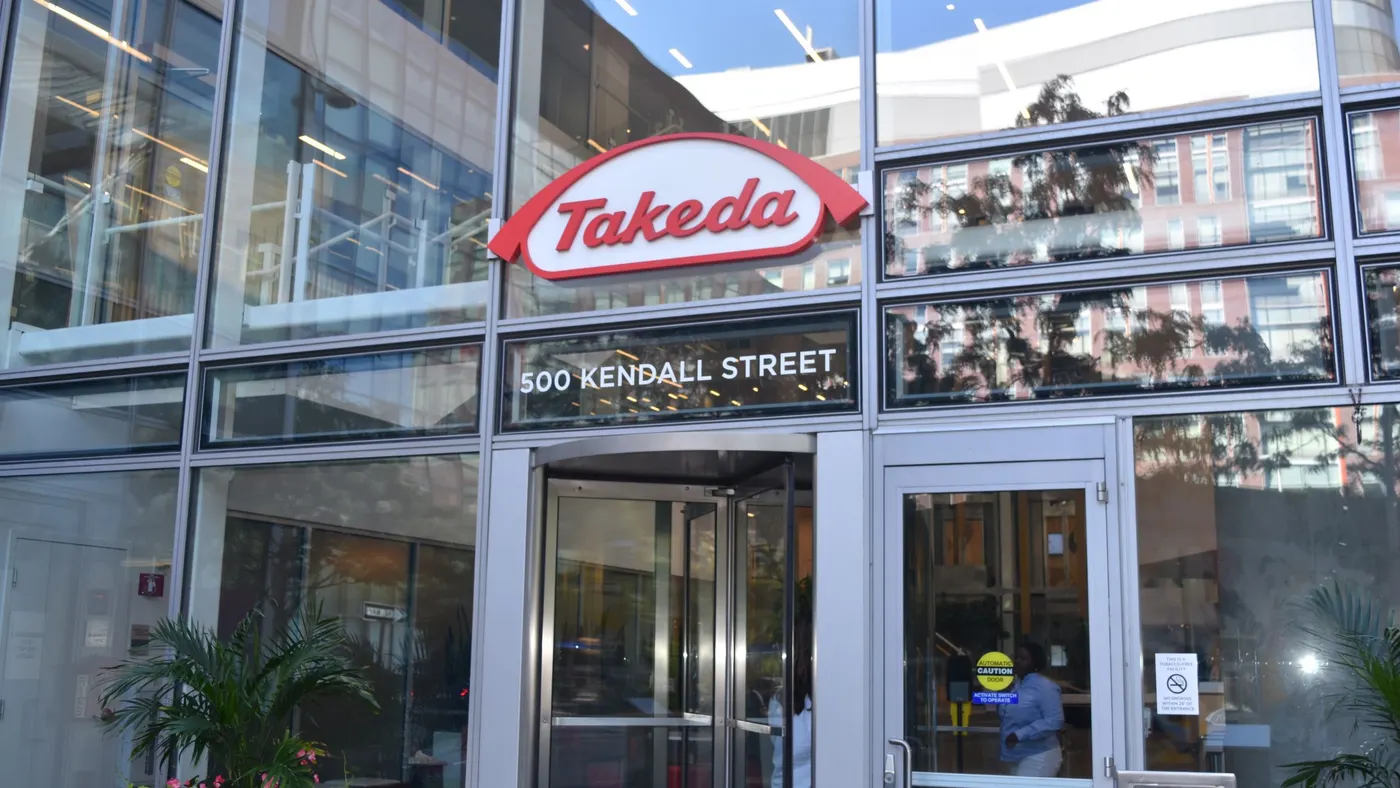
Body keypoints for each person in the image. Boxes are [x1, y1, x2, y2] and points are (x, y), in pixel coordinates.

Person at [998, 641, 1064, 777]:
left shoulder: (1045, 686)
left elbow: (1054, 721)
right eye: (1016, 657)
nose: (1017, 661)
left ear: (1035, 662)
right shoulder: (1014, 686)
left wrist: (1019, 735)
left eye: (1023, 658)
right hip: (1014, 755)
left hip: (1039, 755)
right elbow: (1005, 715)